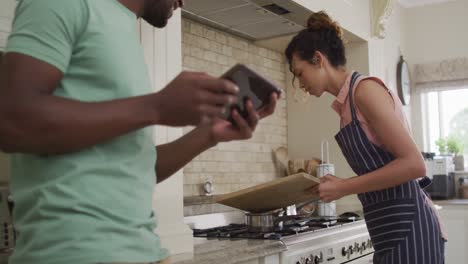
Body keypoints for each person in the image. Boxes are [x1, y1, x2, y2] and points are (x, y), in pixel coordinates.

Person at [0, 0, 278, 263]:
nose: (183, 1)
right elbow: (11, 120)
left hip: (146, 251)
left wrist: (209, 134)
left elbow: (135, 167)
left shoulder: (123, 30)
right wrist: (156, 107)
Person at [285, 11, 446, 264]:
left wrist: (343, 186)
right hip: (387, 231)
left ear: (318, 59)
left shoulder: (364, 92)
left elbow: (414, 164)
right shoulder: (345, 105)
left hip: (410, 228)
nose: (299, 82)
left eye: (299, 72)